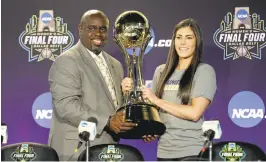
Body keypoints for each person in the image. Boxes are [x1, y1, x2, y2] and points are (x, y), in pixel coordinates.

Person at [48, 10, 136, 161]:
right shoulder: (67, 61)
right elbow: (66, 106)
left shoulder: (115, 65)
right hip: (77, 147)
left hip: (108, 148)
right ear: (80, 29)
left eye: (102, 29)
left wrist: (144, 126)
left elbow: (115, 108)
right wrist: (107, 122)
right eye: (92, 28)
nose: (98, 33)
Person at [141, 18, 217, 160]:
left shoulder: (204, 71)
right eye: (179, 37)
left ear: (196, 41)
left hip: (192, 151)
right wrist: (150, 130)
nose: (183, 43)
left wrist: (157, 100)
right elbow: (156, 112)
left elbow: (194, 113)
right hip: (164, 151)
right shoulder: (160, 71)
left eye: (189, 38)